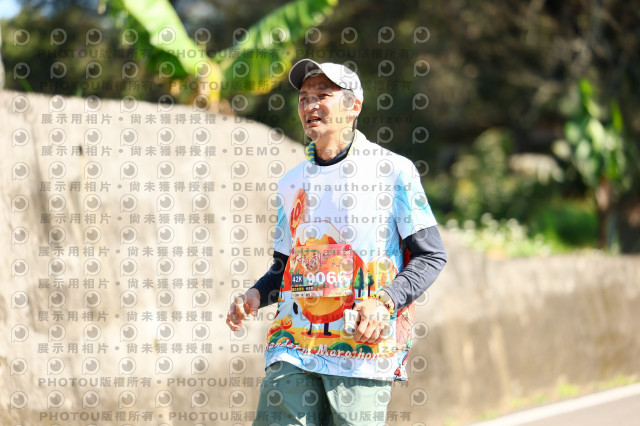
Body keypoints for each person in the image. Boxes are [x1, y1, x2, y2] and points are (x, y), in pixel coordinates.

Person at [226, 59, 447, 425]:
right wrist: (254, 295)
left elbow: (431, 256)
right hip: (293, 344)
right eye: (304, 97)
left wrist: (385, 301)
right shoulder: (291, 183)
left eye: (322, 95)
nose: (310, 105)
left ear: (353, 106)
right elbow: (285, 268)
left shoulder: (393, 171)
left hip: (360, 345)